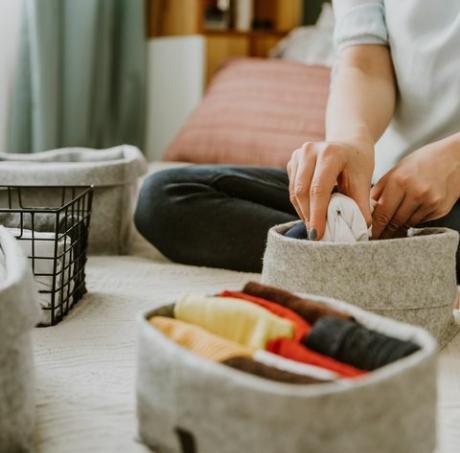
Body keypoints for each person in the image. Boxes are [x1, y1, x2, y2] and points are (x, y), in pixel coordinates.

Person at [135, 0, 460, 276]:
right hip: (384, 193)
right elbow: (364, 63)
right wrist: (350, 141)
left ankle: (343, 262)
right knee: (164, 197)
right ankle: (379, 262)